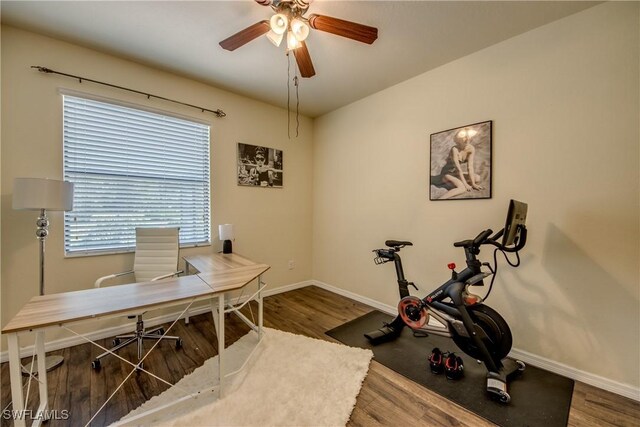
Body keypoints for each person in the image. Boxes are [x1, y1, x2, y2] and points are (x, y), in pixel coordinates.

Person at [431, 128, 484, 199]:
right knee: (462, 188)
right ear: (459, 140)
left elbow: (470, 167)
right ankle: (440, 199)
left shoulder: (471, 148)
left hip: (456, 174)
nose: (467, 139)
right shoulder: (454, 150)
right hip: (447, 174)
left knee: (477, 178)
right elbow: (458, 169)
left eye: (468, 137)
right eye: (464, 138)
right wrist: (465, 184)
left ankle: (452, 183)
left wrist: (473, 184)